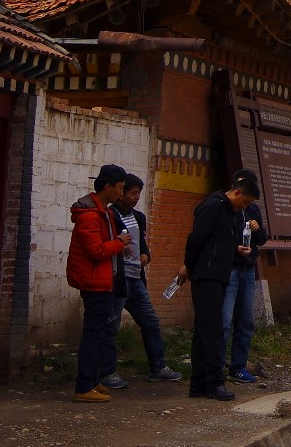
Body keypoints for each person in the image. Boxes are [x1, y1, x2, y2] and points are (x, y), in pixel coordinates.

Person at [178, 170, 260, 402]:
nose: (243, 208)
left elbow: (219, 240)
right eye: (244, 202)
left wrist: (234, 248)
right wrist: (189, 265)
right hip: (207, 275)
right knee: (212, 329)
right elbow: (196, 239)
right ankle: (212, 381)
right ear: (236, 192)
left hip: (217, 274)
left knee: (206, 330)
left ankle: (201, 383)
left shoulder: (226, 210)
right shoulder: (214, 206)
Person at [67, 163, 131, 403]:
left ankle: (92, 381)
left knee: (99, 332)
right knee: (93, 334)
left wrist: (117, 246)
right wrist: (119, 244)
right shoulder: (90, 216)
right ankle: (84, 386)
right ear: (108, 187)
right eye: (120, 188)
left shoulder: (103, 211)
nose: (121, 194)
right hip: (95, 282)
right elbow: (95, 250)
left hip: (104, 279)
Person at [110, 175, 180, 384]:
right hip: (118, 279)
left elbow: (142, 243)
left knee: (150, 321)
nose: (136, 197)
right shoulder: (110, 215)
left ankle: (158, 367)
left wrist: (146, 256)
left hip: (135, 278)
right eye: (133, 193)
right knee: (111, 326)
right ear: (121, 193)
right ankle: (107, 371)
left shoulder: (138, 217)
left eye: (139, 193)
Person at [220, 187, 269, 383]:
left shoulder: (253, 211)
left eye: (249, 202)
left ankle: (238, 366)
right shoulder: (223, 208)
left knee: (246, 321)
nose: (245, 205)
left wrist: (258, 230)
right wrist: (234, 248)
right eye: (245, 201)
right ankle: (217, 365)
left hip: (248, 269)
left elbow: (262, 240)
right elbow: (219, 237)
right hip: (230, 268)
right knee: (224, 321)